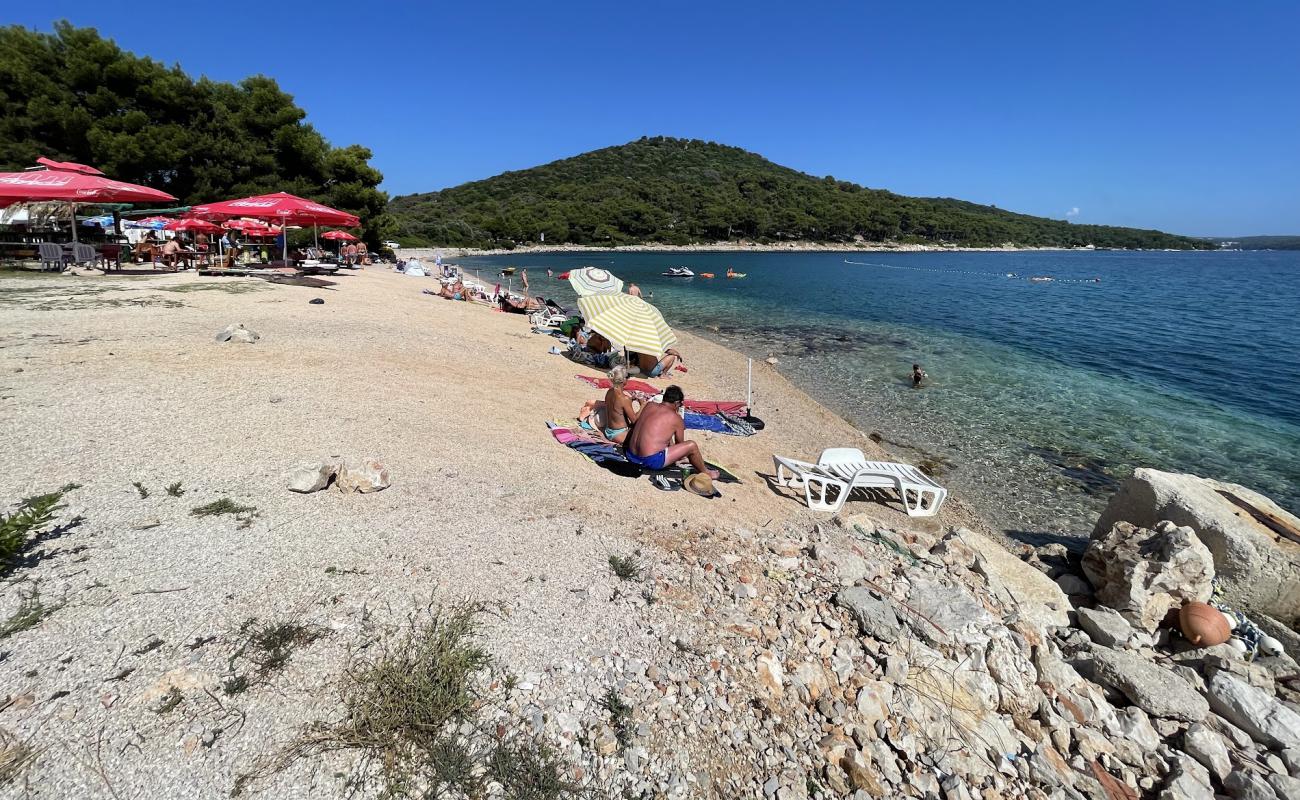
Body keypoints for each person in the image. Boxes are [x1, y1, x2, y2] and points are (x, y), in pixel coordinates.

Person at [624, 385, 719, 478]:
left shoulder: (649, 405)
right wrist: (685, 457)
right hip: (649, 461)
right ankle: (706, 472)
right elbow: (680, 444)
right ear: (677, 403)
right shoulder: (676, 418)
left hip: (631, 455)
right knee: (691, 445)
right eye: (680, 404)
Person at [602, 365, 639, 444]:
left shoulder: (609, 391)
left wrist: (630, 400)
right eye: (627, 377)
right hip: (620, 434)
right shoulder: (624, 399)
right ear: (623, 380)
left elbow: (618, 408)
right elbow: (635, 422)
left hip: (608, 430)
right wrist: (643, 405)